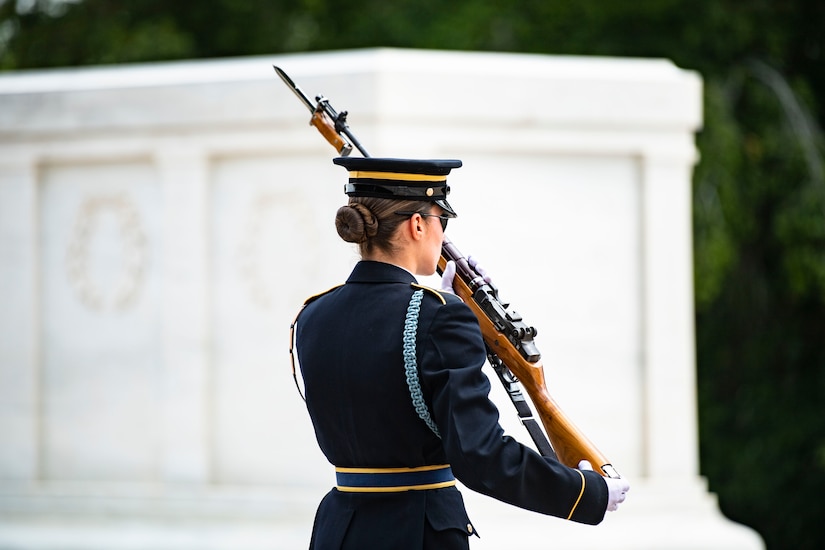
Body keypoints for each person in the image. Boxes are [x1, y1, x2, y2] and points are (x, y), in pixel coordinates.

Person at [293, 157, 629, 549]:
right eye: (441, 219)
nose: (442, 233)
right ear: (417, 225)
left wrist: (448, 315)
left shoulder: (312, 314)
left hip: (338, 532)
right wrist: (584, 492)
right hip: (417, 534)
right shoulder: (438, 316)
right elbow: (480, 454)